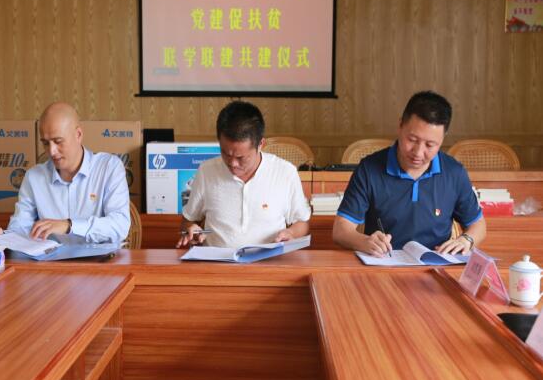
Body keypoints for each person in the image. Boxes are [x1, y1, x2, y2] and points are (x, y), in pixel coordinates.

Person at [332, 91, 486, 257]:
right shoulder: (369, 169)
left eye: (430, 145)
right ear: (400, 126)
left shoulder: (454, 173)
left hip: (436, 264)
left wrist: (466, 240)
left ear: (442, 138)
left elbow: (478, 225)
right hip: (384, 263)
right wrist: (364, 242)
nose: (418, 153)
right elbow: (341, 230)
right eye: (412, 140)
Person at [176, 100, 311, 249]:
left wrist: (291, 233)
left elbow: (302, 223)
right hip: (216, 261)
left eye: (241, 158)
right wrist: (191, 230)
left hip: (268, 261)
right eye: (225, 153)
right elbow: (188, 221)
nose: (232, 163)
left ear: (260, 145)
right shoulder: (206, 171)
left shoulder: (285, 172)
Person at [0, 102, 130, 244]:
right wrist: (4, 237)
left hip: (99, 257)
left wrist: (69, 226)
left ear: (78, 135)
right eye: (46, 143)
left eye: (58, 141)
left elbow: (120, 226)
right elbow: (21, 225)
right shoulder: (34, 177)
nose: (51, 151)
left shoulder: (109, 168)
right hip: (49, 257)